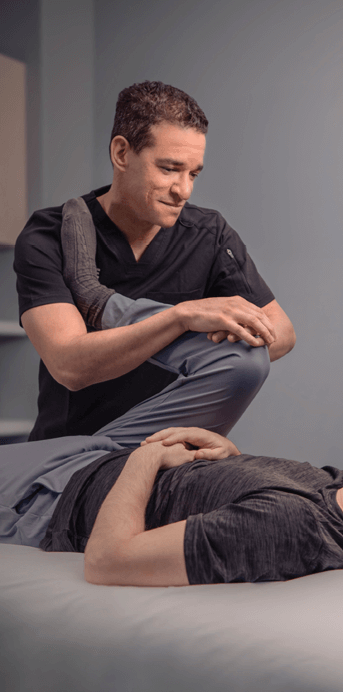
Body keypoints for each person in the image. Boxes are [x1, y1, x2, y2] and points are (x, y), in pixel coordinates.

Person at [0, 323, 343, 589]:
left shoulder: (290, 529)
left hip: (54, 495)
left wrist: (146, 459)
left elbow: (108, 562)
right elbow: (254, 490)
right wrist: (230, 457)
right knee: (242, 358)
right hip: (99, 457)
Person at [14, 81, 295, 441]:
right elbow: (69, 364)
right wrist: (181, 318)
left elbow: (282, 333)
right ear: (121, 153)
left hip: (166, 453)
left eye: (193, 173)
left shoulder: (208, 233)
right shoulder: (51, 233)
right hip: (68, 450)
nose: (184, 190)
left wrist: (194, 351)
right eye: (169, 169)